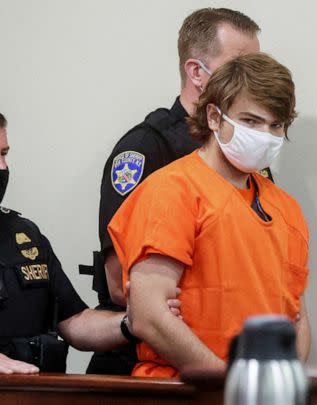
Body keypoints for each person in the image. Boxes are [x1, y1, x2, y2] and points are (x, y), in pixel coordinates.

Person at [82, 7, 264, 375]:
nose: (253, 79)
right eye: (240, 66)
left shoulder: (244, 151)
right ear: (197, 72)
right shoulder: (148, 149)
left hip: (225, 357)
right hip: (148, 366)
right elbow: (121, 284)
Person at [108, 52, 311, 378]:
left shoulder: (285, 208)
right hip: (185, 391)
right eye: (250, 121)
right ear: (214, 117)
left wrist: (279, 386)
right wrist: (225, 383)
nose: (265, 135)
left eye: (276, 125)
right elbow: (148, 314)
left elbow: (297, 316)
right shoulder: (172, 190)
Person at [0, 100, 134, 374]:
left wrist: (133, 322)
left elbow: (75, 322)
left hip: (35, 392)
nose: (0, 167)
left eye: (4, 153)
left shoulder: (23, 232)